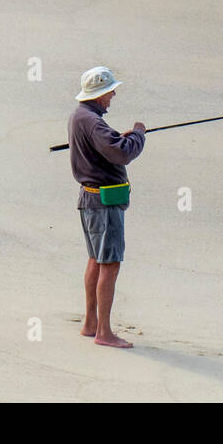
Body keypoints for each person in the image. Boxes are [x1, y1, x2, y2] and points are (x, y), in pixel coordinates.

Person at [67, 66, 145, 348]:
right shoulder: (93, 122)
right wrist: (138, 135)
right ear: (99, 95)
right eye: (110, 91)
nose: (112, 95)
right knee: (110, 264)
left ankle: (90, 323)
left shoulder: (80, 117)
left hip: (89, 199)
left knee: (95, 261)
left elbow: (106, 146)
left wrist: (119, 138)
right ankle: (104, 332)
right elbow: (121, 153)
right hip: (103, 202)